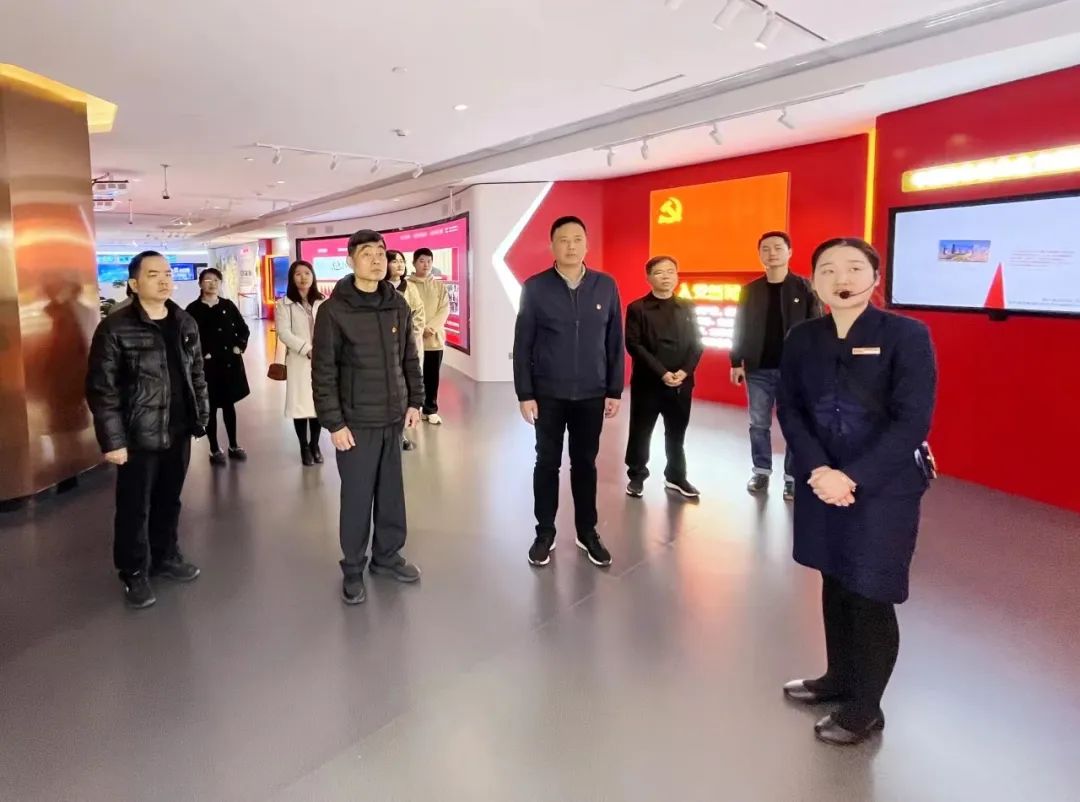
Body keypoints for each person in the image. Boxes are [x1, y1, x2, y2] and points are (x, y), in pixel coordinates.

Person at [777, 237, 937, 746]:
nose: (840, 278)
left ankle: (866, 708)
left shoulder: (906, 335)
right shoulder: (803, 337)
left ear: (875, 277)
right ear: (814, 282)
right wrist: (819, 469)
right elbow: (790, 409)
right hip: (821, 482)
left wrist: (852, 477)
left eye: (853, 268)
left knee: (870, 592)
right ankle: (838, 679)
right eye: (827, 269)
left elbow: (912, 421)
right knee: (836, 579)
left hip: (882, 488)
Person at [86, 251, 209, 609]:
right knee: (134, 506)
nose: (164, 280)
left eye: (167, 273)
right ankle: (133, 570)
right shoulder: (115, 327)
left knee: (169, 499)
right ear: (135, 283)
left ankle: (165, 556)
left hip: (178, 429)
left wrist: (201, 416)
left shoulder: (184, 321)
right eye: (153, 274)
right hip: (137, 435)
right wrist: (113, 440)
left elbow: (197, 374)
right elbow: (102, 389)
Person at [313, 229, 424, 605]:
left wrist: (415, 401)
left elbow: (409, 356)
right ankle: (352, 568)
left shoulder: (397, 304)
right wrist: (334, 423)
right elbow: (324, 371)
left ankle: (387, 557)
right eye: (367, 253)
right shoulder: (334, 310)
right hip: (356, 422)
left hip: (393, 416)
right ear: (350, 261)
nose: (377, 260)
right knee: (358, 498)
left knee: (392, 495)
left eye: (381, 253)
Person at [513, 215, 624, 569]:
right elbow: (523, 344)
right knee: (546, 463)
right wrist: (525, 394)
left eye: (577, 239)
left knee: (585, 463)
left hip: (591, 393)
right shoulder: (535, 287)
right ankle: (544, 532)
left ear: (587, 244)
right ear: (552, 246)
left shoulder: (605, 286)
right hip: (548, 394)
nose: (571, 246)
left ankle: (586, 531)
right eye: (563, 240)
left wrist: (614, 389)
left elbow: (615, 341)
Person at [730, 231, 822, 500]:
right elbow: (740, 327)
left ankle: (792, 477)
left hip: (794, 371)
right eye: (766, 249)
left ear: (789, 252)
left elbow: (817, 329)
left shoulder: (805, 288)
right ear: (759, 254)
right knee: (758, 423)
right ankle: (761, 471)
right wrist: (736, 361)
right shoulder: (750, 290)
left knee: (794, 425)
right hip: (757, 368)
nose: (772, 253)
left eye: (778, 248)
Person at [624, 256, 703, 499]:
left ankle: (676, 476)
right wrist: (662, 373)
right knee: (641, 431)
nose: (666, 276)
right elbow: (634, 345)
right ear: (648, 278)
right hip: (648, 383)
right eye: (659, 272)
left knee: (676, 433)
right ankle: (637, 475)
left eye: (670, 271)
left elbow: (697, 343)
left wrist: (685, 371)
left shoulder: (687, 306)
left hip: (681, 383)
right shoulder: (638, 308)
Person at [186, 268, 250, 465]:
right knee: (210, 407)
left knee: (229, 406)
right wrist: (201, 353)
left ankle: (234, 445)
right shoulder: (192, 309)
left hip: (228, 364)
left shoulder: (228, 305)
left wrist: (239, 346)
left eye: (216, 280)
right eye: (207, 280)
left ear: (220, 283)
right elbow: (187, 337)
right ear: (200, 284)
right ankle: (214, 448)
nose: (212, 283)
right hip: (207, 367)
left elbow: (243, 329)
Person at [275, 260, 326, 466]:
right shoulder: (284, 304)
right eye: (298, 274)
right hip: (298, 361)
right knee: (300, 406)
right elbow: (283, 332)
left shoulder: (322, 301)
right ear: (291, 278)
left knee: (318, 404)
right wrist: (306, 349)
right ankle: (304, 446)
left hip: (322, 360)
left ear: (313, 276)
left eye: (307, 273)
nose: (303, 277)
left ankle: (315, 444)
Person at [386, 249, 426, 451]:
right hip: (387, 349)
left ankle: (401, 433)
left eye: (402, 261)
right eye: (394, 261)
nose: (399, 265)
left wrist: (409, 335)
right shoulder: (379, 288)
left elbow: (419, 314)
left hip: (408, 346)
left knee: (407, 388)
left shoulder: (410, 287)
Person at [408, 247, 449, 425]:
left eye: (429, 261)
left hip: (434, 340)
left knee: (432, 376)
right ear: (414, 263)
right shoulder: (407, 285)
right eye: (422, 261)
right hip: (413, 340)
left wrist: (430, 328)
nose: (426, 265)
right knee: (413, 376)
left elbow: (444, 309)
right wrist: (419, 329)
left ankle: (430, 409)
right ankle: (412, 409)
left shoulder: (439, 286)